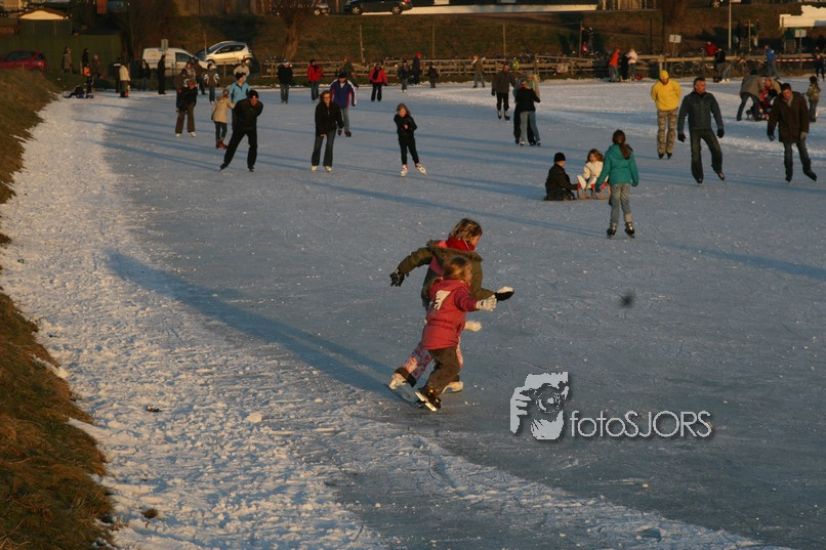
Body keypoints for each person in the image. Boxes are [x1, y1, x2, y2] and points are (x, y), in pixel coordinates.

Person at [388, 219, 510, 399]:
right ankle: (415, 374)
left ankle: (447, 376)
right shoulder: (471, 262)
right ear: (470, 238)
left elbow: (417, 256)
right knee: (443, 341)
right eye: (477, 239)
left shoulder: (439, 248)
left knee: (437, 336)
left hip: (433, 299)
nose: (478, 243)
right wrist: (494, 296)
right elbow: (474, 293)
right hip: (454, 302)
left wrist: (401, 270)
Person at [413, 256, 497, 412]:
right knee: (452, 367)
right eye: (469, 272)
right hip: (443, 338)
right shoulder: (459, 289)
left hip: (430, 334)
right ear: (462, 274)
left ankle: (427, 394)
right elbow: (465, 302)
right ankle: (429, 390)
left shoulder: (441, 287)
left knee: (442, 365)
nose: (472, 275)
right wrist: (479, 304)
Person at [678, 77, 725, 184]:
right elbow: (682, 115)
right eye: (702, 85)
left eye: (704, 85)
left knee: (717, 151)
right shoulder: (688, 99)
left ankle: (717, 168)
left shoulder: (710, 97)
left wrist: (720, 127)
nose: (704, 87)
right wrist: (680, 131)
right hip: (694, 130)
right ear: (696, 86)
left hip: (707, 129)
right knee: (695, 154)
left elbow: (716, 112)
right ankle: (698, 175)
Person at [768, 83, 817, 183]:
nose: (786, 94)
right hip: (785, 131)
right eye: (784, 93)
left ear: (790, 91)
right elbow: (773, 117)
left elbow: (804, 115)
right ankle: (789, 173)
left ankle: (807, 169)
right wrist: (770, 131)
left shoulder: (799, 99)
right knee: (788, 153)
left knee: (803, 151)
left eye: (787, 92)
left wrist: (804, 130)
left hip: (798, 130)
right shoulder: (778, 101)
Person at [595, 130, 639, 238]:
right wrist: (635, 180)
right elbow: (633, 167)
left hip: (615, 182)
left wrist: (598, 183)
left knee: (615, 205)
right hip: (626, 182)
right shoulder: (628, 151)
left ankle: (613, 227)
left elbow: (605, 170)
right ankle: (630, 226)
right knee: (625, 203)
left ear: (613, 140)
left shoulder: (610, 153)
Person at [220, 89, 263, 172]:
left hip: (252, 128)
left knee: (254, 146)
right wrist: (236, 125)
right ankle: (226, 162)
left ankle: (251, 164)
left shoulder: (260, 105)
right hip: (240, 127)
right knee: (232, 145)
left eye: (256, 99)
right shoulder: (241, 104)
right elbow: (235, 114)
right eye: (252, 99)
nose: (254, 101)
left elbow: (256, 114)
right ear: (248, 99)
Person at [650, 70, 681, 159]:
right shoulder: (656, 86)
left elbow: (678, 92)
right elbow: (653, 96)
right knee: (661, 130)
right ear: (660, 78)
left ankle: (669, 149)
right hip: (661, 110)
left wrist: (674, 101)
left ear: (668, 77)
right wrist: (660, 103)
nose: (664, 80)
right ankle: (661, 150)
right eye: (662, 79)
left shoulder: (674, 84)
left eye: (666, 78)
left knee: (672, 129)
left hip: (673, 109)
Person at [311, 90, 343, 173]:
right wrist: (321, 131)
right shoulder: (319, 107)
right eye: (325, 97)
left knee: (329, 146)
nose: (327, 99)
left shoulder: (335, 106)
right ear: (322, 98)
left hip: (331, 128)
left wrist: (341, 125)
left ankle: (327, 164)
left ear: (331, 97)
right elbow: (318, 120)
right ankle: (315, 163)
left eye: (328, 97)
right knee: (317, 146)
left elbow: (339, 117)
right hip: (320, 128)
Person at [394, 103, 427, 177]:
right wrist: (404, 124)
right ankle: (405, 167)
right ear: (398, 112)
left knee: (413, 151)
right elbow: (398, 121)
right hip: (402, 139)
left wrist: (409, 127)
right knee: (403, 152)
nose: (402, 113)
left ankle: (417, 164)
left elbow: (415, 127)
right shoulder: (397, 117)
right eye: (400, 111)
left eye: (403, 111)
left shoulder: (409, 118)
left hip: (410, 138)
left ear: (406, 111)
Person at [514, 80, 540, 147]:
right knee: (533, 126)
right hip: (531, 110)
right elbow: (538, 100)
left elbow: (517, 100)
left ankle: (523, 140)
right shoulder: (531, 91)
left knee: (523, 126)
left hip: (523, 110)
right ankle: (538, 140)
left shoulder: (519, 92)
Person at [330, 72, 356, 137]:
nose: (341, 79)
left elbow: (353, 92)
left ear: (345, 78)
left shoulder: (348, 84)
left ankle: (347, 130)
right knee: (339, 118)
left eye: (343, 78)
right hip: (336, 104)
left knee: (346, 117)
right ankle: (339, 128)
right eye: (340, 78)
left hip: (345, 104)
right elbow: (330, 91)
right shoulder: (335, 83)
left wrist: (353, 101)